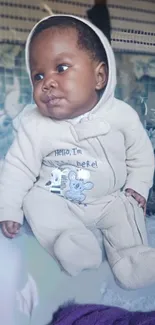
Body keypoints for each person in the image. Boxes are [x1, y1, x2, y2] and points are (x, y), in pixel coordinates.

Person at [0, 14, 154, 290]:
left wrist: (137, 187)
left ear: (99, 76)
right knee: (35, 200)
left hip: (108, 199)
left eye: (61, 67)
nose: (47, 82)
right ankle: (71, 242)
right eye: (38, 75)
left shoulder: (121, 116)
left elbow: (141, 155)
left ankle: (133, 260)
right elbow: (17, 168)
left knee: (126, 210)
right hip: (60, 199)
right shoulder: (35, 125)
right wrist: (9, 208)